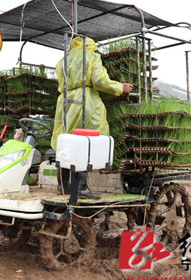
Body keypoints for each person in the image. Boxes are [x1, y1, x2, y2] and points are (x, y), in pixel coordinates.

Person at [51, 36, 133, 195]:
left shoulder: (63, 61)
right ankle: (82, 187)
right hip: (85, 101)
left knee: (65, 141)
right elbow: (99, 80)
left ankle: (63, 185)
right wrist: (120, 87)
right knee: (88, 141)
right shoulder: (91, 56)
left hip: (65, 101)